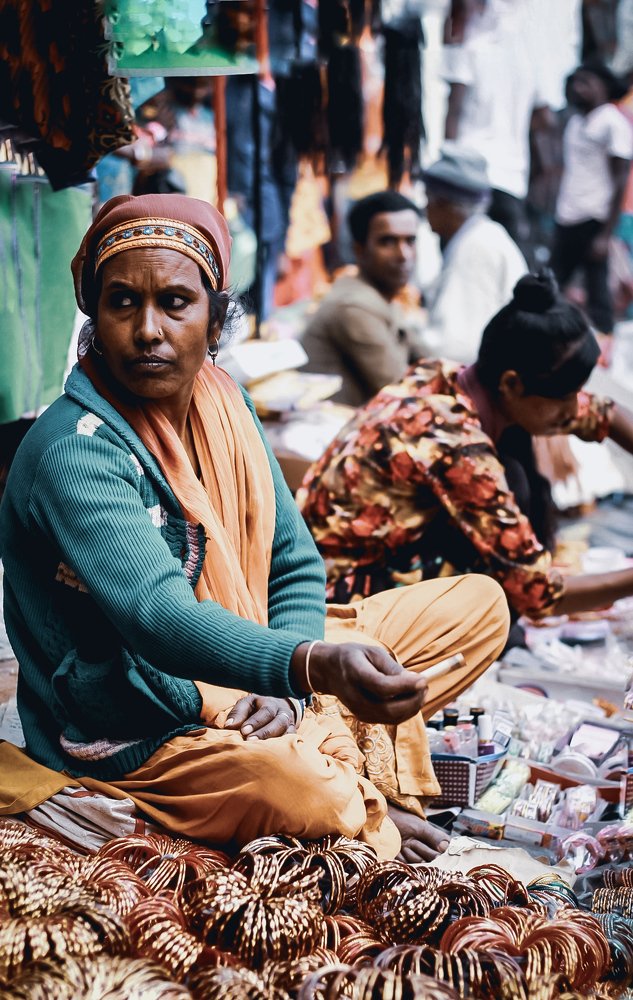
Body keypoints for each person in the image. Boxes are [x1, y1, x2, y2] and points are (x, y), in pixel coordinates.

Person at [0, 193, 509, 862]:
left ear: (215, 319)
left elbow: (293, 560)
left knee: (477, 607)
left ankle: (310, 734)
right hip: (143, 723)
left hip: (257, 670)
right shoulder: (77, 449)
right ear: (95, 315)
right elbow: (158, 615)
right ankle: (345, 789)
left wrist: (287, 688)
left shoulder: (223, 398)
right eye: (122, 303)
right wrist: (308, 666)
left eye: (175, 303)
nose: (148, 329)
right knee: (310, 796)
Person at [298, 271, 633, 623]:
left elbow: (603, 413)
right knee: (500, 584)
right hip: (334, 596)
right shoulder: (454, 444)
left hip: (353, 554)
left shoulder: (445, 376)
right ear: (512, 384)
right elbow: (540, 594)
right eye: (564, 397)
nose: (574, 408)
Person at [300, 191, 421, 407]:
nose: (403, 254)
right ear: (360, 250)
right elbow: (400, 394)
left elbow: (424, 356)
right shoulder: (354, 307)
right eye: (388, 242)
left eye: (410, 241)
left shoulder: (384, 295)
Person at [551, 60, 633, 361]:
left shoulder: (611, 122)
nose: (578, 88)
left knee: (598, 290)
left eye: (586, 82)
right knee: (555, 281)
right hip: (568, 213)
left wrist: (605, 233)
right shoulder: (575, 122)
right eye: (575, 82)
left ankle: (603, 352)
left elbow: (621, 177)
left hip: (595, 217)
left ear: (603, 87)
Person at [418, 143, 527, 363]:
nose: (425, 208)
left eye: (429, 199)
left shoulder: (475, 248)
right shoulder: (480, 235)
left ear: (445, 205)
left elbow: (455, 346)